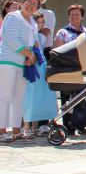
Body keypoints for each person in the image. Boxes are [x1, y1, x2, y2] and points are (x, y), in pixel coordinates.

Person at [0, 0, 42, 142]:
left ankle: (16, 130)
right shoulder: (12, 17)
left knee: (18, 98)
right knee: (4, 97)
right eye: (28, 2)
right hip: (8, 61)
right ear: (23, 3)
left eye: (34, 4)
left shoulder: (33, 23)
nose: (31, 5)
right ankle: (1, 131)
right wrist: (28, 54)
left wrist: (34, 57)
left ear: (37, 8)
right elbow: (10, 39)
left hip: (23, 63)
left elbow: (35, 42)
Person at [53, 4, 86, 135]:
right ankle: (68, 127)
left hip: (83, 69)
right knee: (67, 98)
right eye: (72, 14)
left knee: (82, 96)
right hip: (67, 70)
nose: (74, 17)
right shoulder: (62, 32)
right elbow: (58, 51)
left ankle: (81, 124)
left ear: (82, 16)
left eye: (77, 14)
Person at [22, 10, 58, 138]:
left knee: (38, 96)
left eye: (42, 22)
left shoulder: (40, 35)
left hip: (40, 64)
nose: (40, 24)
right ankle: (27, 126)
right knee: (29, 95)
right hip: (31, 63)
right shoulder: (29, 34)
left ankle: (35, 126)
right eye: (38, 22)